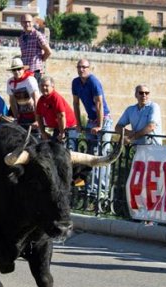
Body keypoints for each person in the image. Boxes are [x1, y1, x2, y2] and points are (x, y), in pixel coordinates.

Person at [72, 58, 112, 198]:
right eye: (79, 67)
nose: (81, 69)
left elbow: (100, 104)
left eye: (84, 67)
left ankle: (101, 190)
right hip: (90, 120)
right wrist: (79, 123)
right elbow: (76, 104)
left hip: (103, 120)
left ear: (89, 68)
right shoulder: (76, 82)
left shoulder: (93, 81)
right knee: (90, 155)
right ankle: (89, 188)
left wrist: (100, 125)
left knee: (103, 154)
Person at [35, 76, 76, 143]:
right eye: (42, 86)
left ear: (53, 86)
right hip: (56, 128)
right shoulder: (41, 99)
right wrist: (43, 132)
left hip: (68, 128)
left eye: (46, 86)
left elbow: (61, 116)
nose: (44, 88)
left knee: (67, 150)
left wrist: (62, 133)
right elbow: (38, 117)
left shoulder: (55, 98)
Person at [6, 57, 40, 131]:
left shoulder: (30, 80)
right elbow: (12, 100)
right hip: (22, 116)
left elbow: (36, 99)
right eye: (14, 70)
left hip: (34, 115)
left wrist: (37, 119)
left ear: (23, 69)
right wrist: (16, 116)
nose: (17, 72)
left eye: (19, 69)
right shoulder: (10, 82)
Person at [18, 13, 52, 83]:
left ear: (33, 23)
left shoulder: (37, 35)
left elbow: (48, 51)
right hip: (24, 72)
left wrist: (40, 60)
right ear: (21, 23)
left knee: (34, 93)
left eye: (29, 22)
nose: (27, 24)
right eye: (24, 22)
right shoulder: (21, 38)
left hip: (35, 71)